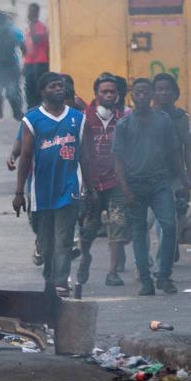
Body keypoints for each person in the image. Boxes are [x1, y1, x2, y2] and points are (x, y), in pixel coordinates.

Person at [113, 78, 187, 296]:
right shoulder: (124, 124)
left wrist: (184, 177)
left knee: (170, 226)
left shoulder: (163, 121)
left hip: (160, 183)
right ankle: (145, 280)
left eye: (146, 92)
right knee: (138, 232)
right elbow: (117, 160)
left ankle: (164, 275)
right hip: (135, 185)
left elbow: (174, 152)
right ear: (132, 96)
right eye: (138, 93)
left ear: (152, 94)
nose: (142, 96)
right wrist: (125, 189)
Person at [15, 72, 84, 297]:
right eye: (53, 86)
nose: (59, 90)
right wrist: (19, 192)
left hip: (69, 187)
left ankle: (61, 282)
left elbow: (87, 155)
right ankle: (50, 277)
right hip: (42, 190)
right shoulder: (32, 119)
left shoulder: (77, 118)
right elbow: (25, 157)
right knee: (46, 244)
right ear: (42, 91)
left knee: (63, 239)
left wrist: (89, 187)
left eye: (61, 86)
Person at [78, 73, 130, 290]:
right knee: (89, 227)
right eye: (104, 91)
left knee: (118, 223)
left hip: (117, 180)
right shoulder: (85, 117)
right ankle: (85, 257)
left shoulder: (126, 117)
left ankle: (112, 271)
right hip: (92, 182)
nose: (109, 95)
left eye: (112, 91)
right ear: (96, 94)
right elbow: (80, 152)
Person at [152, 72, 191, 262]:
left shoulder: (182, 117)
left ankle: (167, 249)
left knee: (174, 213)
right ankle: (167, 249)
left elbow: (188, 146)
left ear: (175, 93)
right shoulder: (149, 116)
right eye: (159, 90)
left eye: (167, 89)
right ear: (153, 94)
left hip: (175, 173)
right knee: (159, 217)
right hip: (153, 173)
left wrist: (188, 175)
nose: (163, 93)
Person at [0, 10, 24, 121]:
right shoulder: (14, 31)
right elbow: (23, 46)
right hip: (11, 66)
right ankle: (17, 114)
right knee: (13, 91)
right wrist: (24, 61)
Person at [23, 4, 50, 110]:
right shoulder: (30, 27)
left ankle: (38, 110)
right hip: (29, 62)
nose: (29, 14)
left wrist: (32, 25)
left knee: (37, 90)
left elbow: (36, 40)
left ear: (36, 13)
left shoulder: (39, 26)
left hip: (40, 63)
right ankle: (31, 110)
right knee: (29, 90)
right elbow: (26, 45)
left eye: (32, 11)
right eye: (29, 11)